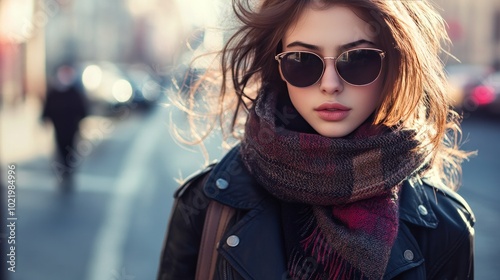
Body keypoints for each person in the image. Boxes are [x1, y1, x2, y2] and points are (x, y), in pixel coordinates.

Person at [157, 0, 476, 279]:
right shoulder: (207, 205)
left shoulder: (445, 227)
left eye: (358, 59)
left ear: (392, 62)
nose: (330, 84)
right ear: (277, 66)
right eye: (302, 60)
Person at [42, 64, 88, 184]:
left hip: (72, 127)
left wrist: (82, 119)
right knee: (60, 148)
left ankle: (68, 169)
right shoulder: (54, 92)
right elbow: (48, 107)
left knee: (70, 148)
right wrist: (44, 119)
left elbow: (82, 109)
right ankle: (63, 169)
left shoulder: (74, 92)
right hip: (58, 126)